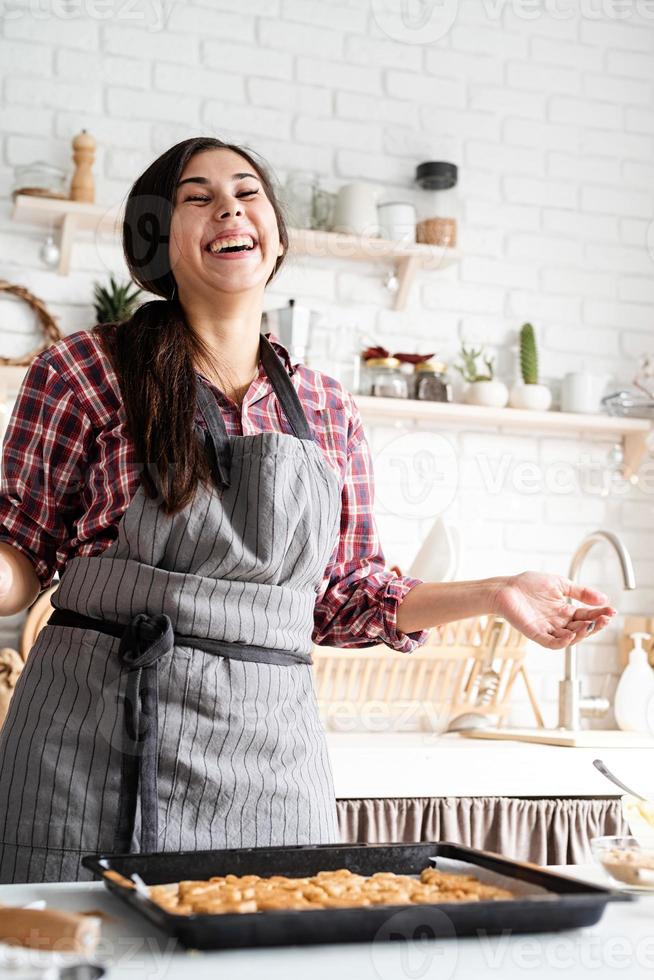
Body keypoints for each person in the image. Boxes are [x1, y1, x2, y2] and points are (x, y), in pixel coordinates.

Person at [0, 137, 616, 884]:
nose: (228, 205)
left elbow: (345, 597)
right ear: (156, 243)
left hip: (268, 761)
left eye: (246, 191)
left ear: (278, 235)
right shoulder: (84, 370)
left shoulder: (326, 408)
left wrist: (495, 594)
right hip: (90, 744)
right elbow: (21, 553)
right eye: (197, 197)